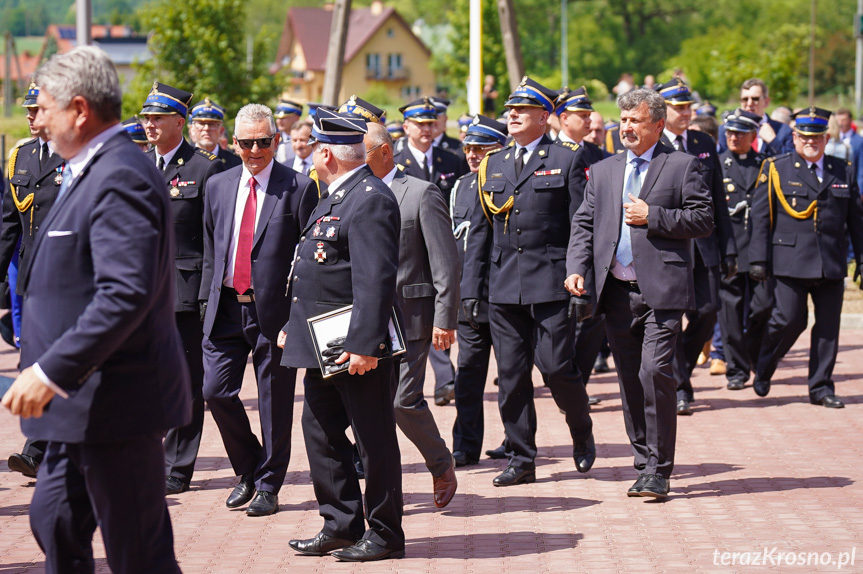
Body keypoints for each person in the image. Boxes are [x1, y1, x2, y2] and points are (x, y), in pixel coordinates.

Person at [1, 46, 189, 573]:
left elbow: (124, 292)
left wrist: (50, 370)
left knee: (139, 552)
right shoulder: (85, 169)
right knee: (54, 520)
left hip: (116, 401)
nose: (37, 120)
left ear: (79, 110)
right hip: (75, 407)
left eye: (47, 107)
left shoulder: (120, 175)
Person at [565, 87, 713, 499]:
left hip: (663, 290)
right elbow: (584, 223)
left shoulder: (682, 166)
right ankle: (644, 457)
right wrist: (577, 268)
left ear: (658, 125)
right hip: (615, 292)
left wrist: (655, 217)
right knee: (630, 379)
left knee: (655, 372)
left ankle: (659, 468)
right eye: (623, 119)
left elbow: (703, 218)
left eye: (635, 121)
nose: (626, 127)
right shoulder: (606, 170)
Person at [280, 109, 405, 562]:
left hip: (355, 347)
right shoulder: (334, 195)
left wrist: (364, 344)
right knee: (319, 430)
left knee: (374, 440)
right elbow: (314, 269)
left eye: (316, 147)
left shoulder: (370, 197)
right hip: (321, 343)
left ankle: (386, 533)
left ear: (327, 153)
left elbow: (375, 279)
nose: (313, 153)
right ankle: (340, 524)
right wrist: (289, 326)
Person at [462, 76, 595, 486]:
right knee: (512, 375)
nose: (513, 115)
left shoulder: (567, 158)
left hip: (551, 283)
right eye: (510, 110)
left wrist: (581, 276)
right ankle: (521, 458)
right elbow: (481, 232)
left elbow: (580, 225)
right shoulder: (492, 163)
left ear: (544, 116)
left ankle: (580, 426)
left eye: (522, 110)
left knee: (556, 368)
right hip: (503, 287)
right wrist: (472, 290)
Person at [199, 103, 317, 516]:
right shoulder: (218, 185)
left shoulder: (299, 187)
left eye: (263, 142)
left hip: (275, 315)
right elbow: (212, 251)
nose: (255, 150)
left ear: (276, 140)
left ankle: (269, 484)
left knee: (274, 403)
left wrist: (297, 318)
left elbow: (307, 259)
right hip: (226, 308)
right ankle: (249, 467)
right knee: (214, 391)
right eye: (247, 143)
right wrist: (204, 304)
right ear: (235, 143)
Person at [364, 121, 459, 507]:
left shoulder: (420, 192)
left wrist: (445, 318)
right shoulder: (356, 193)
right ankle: (384, 490)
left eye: (363, 151)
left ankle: (440, 462)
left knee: (403, 401)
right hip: (366, 320)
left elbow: (445, 262)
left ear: (385, 151)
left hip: (412, 315)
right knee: (370, 408)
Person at [139, 82, 225, 495]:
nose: (150, 125)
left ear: (180, 121)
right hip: (143, 294)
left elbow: (215, 238)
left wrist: (208, 293)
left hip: (186, 292)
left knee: (188, 383)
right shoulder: (141, 165)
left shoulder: (205, 168)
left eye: (157, 118)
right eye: (146, 117)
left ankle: (178, 464)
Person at [749, 107, 863, 409]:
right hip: (790, 260)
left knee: (828, 328)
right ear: (795, 137)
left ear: (827, 138)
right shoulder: (777, 168)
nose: (810, 142)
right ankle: (764, 365)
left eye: (817, 137)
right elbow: (760, 218)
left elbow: (856, 221)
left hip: (831, 262)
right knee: (787, 321)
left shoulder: (843, 169)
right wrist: (758, 259)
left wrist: (860, 259)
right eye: (804, 137)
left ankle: (821, 387)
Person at [654, 78, 737, 416]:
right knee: (671, 321)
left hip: (703, 246)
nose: (686, 112)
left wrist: (728, 247)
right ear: (662, 111)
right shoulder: (651, 143)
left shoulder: (703, 141)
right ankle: (680, 389)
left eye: (688, 106)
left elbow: (718, 198)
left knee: (707, 311)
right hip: (667, 246)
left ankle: (679, 372)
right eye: (679, 107)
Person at [3, 81, 64, 479]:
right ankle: (41, 446)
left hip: (71, 280)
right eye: (26, 110)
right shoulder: (20, 157)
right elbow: (8, 225)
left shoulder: (78, 155)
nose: (29, 117)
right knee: (34, 361)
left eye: (36, 110)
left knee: (63, 363)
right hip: (31, 281)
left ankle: (39, 447)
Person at [393, 97, 467, 405]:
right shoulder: (394, 160)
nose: (426, 129)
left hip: (441, 241)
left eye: (430, 123)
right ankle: (443, 376)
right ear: (406, 126)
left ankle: (444, 378)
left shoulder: (452, 158)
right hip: (407, 246)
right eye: (419, 124)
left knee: (442, 301)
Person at [449, 115, 506, 467]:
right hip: (467, 295)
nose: (472, 154)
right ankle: (466, 445)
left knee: (513, 377)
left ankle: (516, 441)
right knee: (468, 375)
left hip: (503, 294)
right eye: (468, 148)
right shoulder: (461, 186)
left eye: (481, 148)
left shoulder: (508, 181)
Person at [715, 108, 774, 391]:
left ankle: (750, 353)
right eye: (729, 132)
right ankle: (736, 370)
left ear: (753, 135)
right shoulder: (716, 164)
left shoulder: (766, 165)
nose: (733, 137)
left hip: (760, 250)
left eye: (740, 132)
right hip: (730, 249)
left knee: (763, 306)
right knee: (729, 312)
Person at [718, 78, 793, 155]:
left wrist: (773, 142)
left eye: (755, 99)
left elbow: (791, 163)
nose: (749, 103)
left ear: (766, 102)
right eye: (745, 99)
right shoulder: (725, 130)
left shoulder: (783, 131)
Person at [189, 98, 242, 169]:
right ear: (192, 130)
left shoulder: (236, 163)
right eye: (201, 124)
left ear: (221, 131)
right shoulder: (182, 160)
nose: (206, 128)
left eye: (212, 124)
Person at [274, 98, 303, 165]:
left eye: (283, 118)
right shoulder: (273, 139)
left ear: (296, 118)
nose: (279, 121)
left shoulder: (305, 139)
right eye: (278, 118)